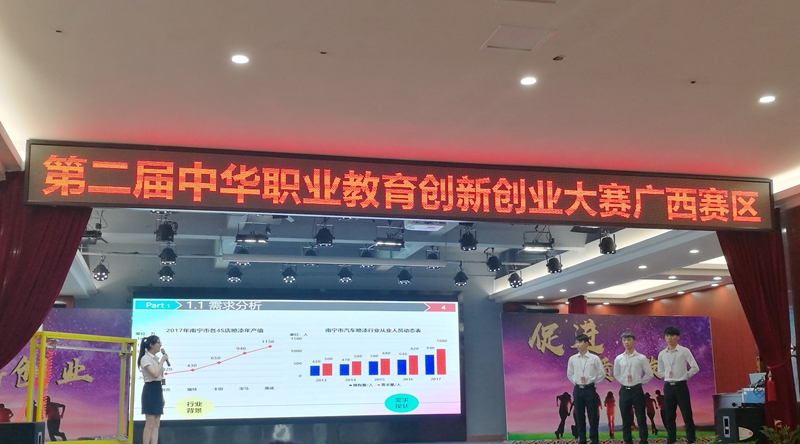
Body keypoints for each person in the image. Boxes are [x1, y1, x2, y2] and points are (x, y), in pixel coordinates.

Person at [657, 326, 699, 444]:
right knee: (669, 416)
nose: (669, 338)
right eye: (667, 336)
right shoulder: (662, 354)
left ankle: (691, 439)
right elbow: (660, 370)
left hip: (681, 386)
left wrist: (685, 376)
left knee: (687, 414)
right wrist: (667, 376)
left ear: (677, 337)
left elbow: (695, 367)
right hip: (668, 387)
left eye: (672, 335)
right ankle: (671, 440)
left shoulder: (684, 351)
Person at [613, 332, 654, 444]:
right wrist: (624, 382)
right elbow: (616, 374)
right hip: (624, 390)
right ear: (622, 342)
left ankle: (644, 440)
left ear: (634, 341)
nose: (626, 342)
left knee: (641, 417)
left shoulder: (641, 358)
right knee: (625, 418)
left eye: (629, 339)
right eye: (624, 340)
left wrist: (639, 383)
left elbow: (649, 374)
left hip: (637, 391)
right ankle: (627, 440)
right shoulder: (619, 358)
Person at [566, 334, 605, 444]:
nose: (578, 345)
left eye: (580, 342)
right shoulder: (572, 359)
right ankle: (582, 439)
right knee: (579, 416)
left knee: (593, 416)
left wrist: (591, 383)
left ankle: (594, 439)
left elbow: (601, 374)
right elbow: (570, 374)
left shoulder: (594, 358)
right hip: (578, 390)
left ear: (587, 343)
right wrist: (577, 382)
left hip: (590, 390)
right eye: (576, 342)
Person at [138, 335, 169, 444]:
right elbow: (155, 374)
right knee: (150, 423)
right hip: (150, 390)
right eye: (158, 343)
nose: (160, 345)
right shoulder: (145, 358)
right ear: (151, 345)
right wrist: (162, 361)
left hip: (157, 389)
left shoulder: (155, 358)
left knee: (156, 423)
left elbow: (159, 379)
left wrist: (162, 396)